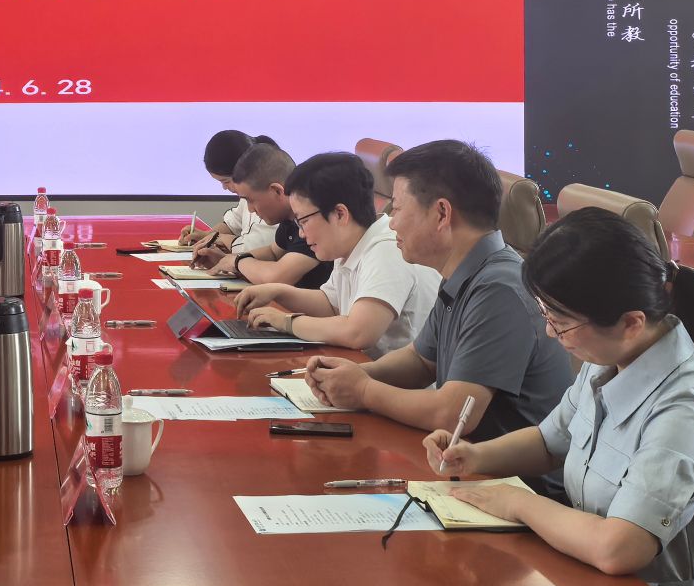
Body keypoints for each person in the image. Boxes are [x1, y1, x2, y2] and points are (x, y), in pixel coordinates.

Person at [427, 208, 694, 586]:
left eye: (560, 321)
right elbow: (549, 441)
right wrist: (474, 455)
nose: (551, 333)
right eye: (546, 314)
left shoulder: (689, 407)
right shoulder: (607, 360)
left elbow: (621, 547)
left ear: (632, 322)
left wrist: (518, 503)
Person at [302, 141, 573, 467]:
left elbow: (453, 413)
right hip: (463, 464)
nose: (391, 222)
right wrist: (353, 375)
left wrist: (362, 391)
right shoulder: (464, 270)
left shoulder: (499, 288)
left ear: (442, 213)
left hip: (510, 481)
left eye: (397, 208)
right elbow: (421, 361)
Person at [235, 151, 439, 356]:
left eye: (303, 221)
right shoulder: (350, 244)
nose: (301, 233)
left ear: (340, 214)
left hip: (395, 375)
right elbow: (331, 305)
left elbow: (358, 332)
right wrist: (278, 292)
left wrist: (286, 322)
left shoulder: (388, 249)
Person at [201, 142, 332, 288]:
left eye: (251, 200)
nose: (250, 210)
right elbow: (273, 253)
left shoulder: (312, 220)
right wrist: (225, 260)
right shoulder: (288, 219)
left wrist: (236, 262)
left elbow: (278, 276)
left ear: (277, 191)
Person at [180, 130, 278, 257]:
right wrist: (206, 236)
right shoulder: (248, 195)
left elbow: (259, 248)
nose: (224, 188)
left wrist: (220, 240)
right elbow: (232, 224)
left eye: (226, 181)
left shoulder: (271, 199)